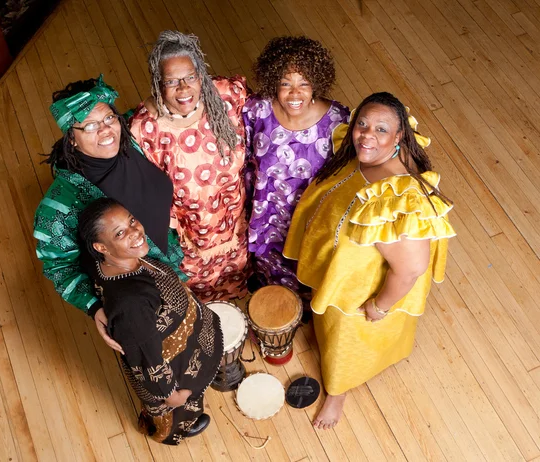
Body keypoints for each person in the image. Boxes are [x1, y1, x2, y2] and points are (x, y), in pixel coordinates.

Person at [284, 92, 456, 429]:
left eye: (380, 129)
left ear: (399, 136)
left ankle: (337, 392)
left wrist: (380, 306)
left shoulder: (396, 199)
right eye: (362, 124)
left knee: (343, 344)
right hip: (344, 271)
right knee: (326, 325)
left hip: (361, 296)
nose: (366, 134)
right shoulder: (367, 154)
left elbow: (410, 268)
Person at [33, 75, 185, 352]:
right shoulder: (61, 206)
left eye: (108, 119)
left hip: (183, 257)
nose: (105, 131)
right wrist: (93, 308)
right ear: (72, 139)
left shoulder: (134, 137)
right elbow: (59, 267)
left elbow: (155, 104)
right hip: (144, 291)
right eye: (89, 126)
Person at [78, 198, 223, 445]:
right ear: (101, 246)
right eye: (120, 232)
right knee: (176, 411)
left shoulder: (106, 262)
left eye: (131, 220)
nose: (135, 232)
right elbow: (148, 362)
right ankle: (172, 431)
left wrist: (95, 309)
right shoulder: (130, 304)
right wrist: (170, 395)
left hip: (180, 346)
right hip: (172, 374)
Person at [129, 30, 251, 302]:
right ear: (159, 84)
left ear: (201, 76)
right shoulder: (145, 129)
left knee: (239, 275)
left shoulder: (228, 97)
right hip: (190, 233)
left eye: (191, 77)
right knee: (199, 293)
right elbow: (147, 192)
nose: (184, 89)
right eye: (172, 81)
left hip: (236, 219)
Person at [242, 36, 350, 295]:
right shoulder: (258, 110)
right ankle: (274, 292)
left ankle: (304, 300)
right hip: (268, 213)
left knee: (306, 262)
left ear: (316, 83)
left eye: (304, 83)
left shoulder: (337, 122)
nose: (294, 93)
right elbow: (245, 158)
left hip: (309, 217)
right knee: (269, 264)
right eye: (285, 83)